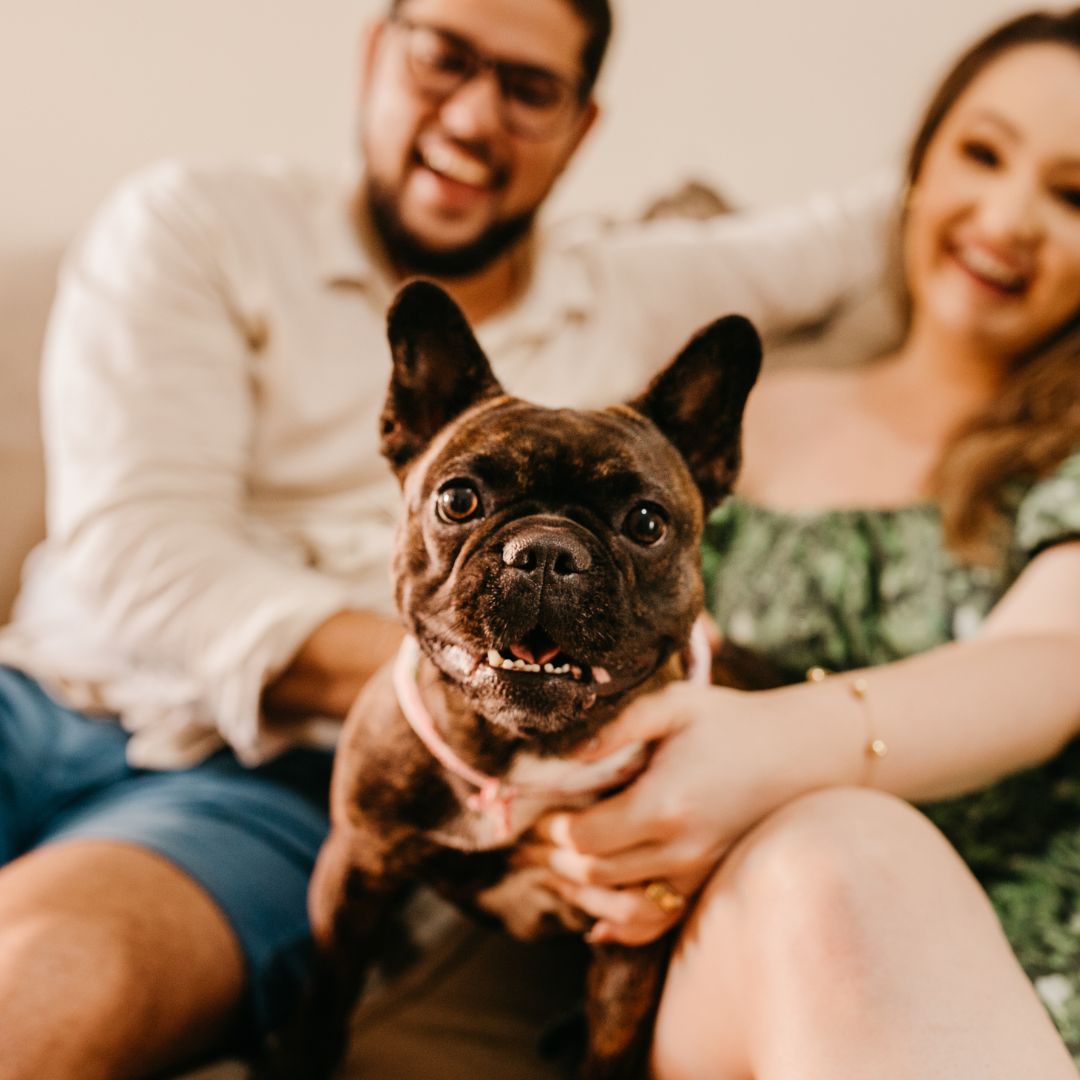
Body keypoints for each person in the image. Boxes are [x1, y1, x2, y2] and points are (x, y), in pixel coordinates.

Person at [0, 0, 897, 1076]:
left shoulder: (642, 285)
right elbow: (135, 550)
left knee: (45, 986)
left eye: (529, 88)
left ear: (583, 123)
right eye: (444, 58)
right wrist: (466, 696)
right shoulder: (199, 222)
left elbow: (889, 218)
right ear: (377, 51)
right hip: (42, 689)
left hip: (254, 782)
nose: (474, 117)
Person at [525, 8, 1080, 1077]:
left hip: (1035, 972)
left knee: (851, 845)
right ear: (917, 166)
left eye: (1074, 196)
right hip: (732, 953)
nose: (1009, 218)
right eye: (982, 153)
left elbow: (1057, 660)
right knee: (840, 862)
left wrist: (782, 744)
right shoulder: (712, 430)